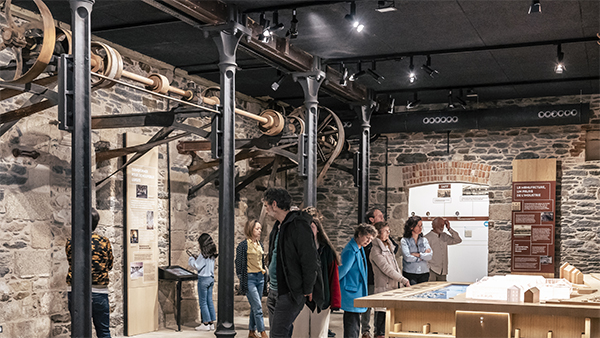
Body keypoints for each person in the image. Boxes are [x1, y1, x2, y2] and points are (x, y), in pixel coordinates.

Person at [263, 188, 320, 338]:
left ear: (274, 204)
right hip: (275, 290)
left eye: (266, 205)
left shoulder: (298, 225)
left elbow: (309, 259)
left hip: (289, 292)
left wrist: (307, 288)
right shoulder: (278, 226)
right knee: (282, 333)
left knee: (278, 334)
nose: (266, 210)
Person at [292, 207, 341, 338]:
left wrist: (335, 302)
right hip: (301, 300)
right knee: (299, 334)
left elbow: (333, 277)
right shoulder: (296, 250)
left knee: (319, 334)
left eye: (311, 227)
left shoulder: (327, 251)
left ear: (317, 229)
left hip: (322, 300)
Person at [66, 208, 114, 338]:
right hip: (99, 291)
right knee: (103, 331)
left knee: (78, 331)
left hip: (76, 292)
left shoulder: (71, 242)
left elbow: (71, 262)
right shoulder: (104, 242)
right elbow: (109, 265)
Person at [360, 208, 397, 338]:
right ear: (372, 219)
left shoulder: (382, 235)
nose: (382, 217)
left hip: (381, 276)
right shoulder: (366, 234)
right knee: (367, 305)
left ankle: (378, 330)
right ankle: (365, 330)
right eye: (379, 216)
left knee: (379, 306)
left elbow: (394, 247)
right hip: (369, 274)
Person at [369, 222, 410, 338]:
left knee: (390, 325)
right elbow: (387, 269)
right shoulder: (375, 251)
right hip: (383, 288)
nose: (389, 233)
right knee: (381, 326)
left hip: (392, 288)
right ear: (378, 233)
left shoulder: (388, 247)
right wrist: (403, 280)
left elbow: (395, 267)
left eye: (389, 230)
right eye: (386, 231)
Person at [339, 224, 377, 338]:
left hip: (356, 291)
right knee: (352, 325)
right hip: (351, 291)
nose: (368, 241)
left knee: (355, 325)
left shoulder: (358, 248)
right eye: (367, 238)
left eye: (371, 239)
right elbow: (342, 271)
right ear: (359, 234)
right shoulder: (351, 250)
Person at [235, 220, 268, 338]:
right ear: (250, 229)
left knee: (255, 306)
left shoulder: (260, 244)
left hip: (260, 277)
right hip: (250, 279)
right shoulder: (243, 245)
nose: (260, 231)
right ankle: (263, 332)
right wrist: (241, 278)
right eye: (257, 229)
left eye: (260, 228)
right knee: (258, 307)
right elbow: (238, 263)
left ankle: (251, 332)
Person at [188, 233, 218, 331]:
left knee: (203, 302)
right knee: (210, 301)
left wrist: (191, 259)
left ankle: (205, 324)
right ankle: (211, 322)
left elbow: (197, 266)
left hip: (203, 279)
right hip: (211, 278)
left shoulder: (203, 255)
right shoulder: (212, 254)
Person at [400, 216, 432, 285]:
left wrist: (418, 255)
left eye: (421, 226)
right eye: (418, 226)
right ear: (411, 227)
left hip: (424, 272)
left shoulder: (424, 240)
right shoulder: (404, 241)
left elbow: (429, 256)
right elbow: (407, 257)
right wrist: (422, 257)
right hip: (410, 273)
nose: (421, 228)